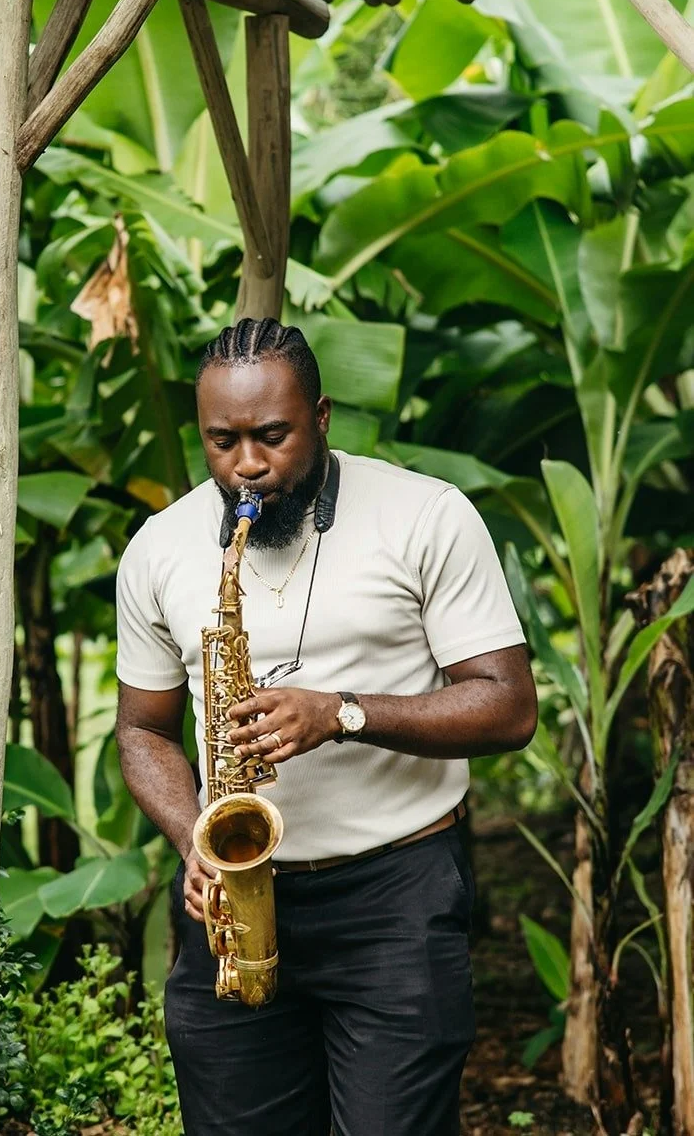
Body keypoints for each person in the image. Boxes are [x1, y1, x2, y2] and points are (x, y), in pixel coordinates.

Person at [114, 316, 537, 1136]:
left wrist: (342, 713)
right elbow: (142, 730)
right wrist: (190, 838)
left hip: (394, 894)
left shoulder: (425, 516)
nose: (246, 465)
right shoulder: (161, 548)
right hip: (234, 902)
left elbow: (507, 703)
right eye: (221, 441)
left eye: (271, 436)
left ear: (321, 415)